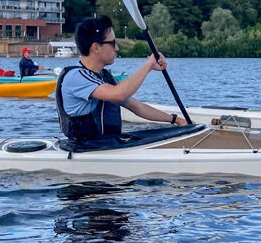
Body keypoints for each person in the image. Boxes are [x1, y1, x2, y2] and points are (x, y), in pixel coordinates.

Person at [56, 14, 185, 148]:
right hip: (83, 149)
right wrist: (149, 65)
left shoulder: (105, 78)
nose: (116, 48)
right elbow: (119, 94)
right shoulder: (76, 77)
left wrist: (176, 120)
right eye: (112, 43)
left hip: (106, 145)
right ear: (96, 47)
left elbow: (137, 107)